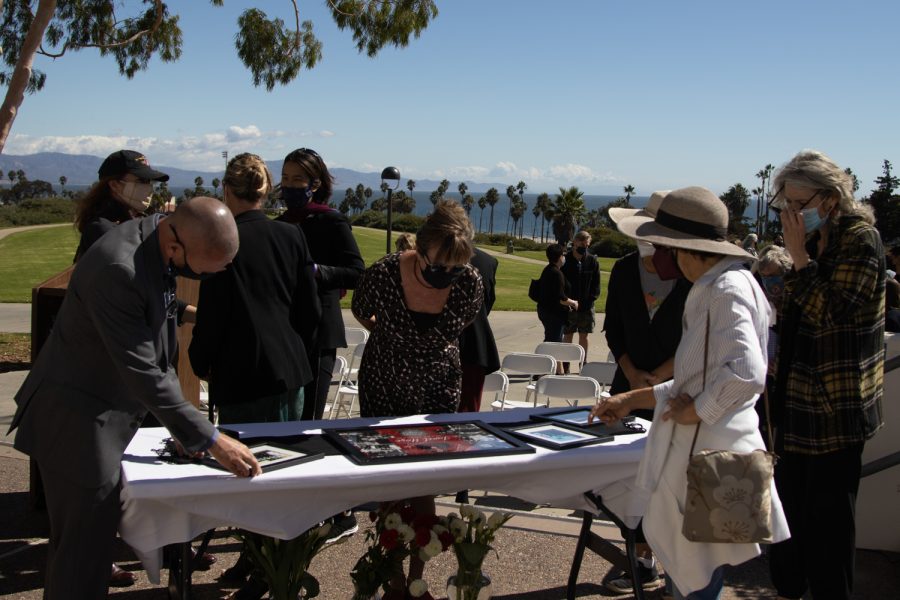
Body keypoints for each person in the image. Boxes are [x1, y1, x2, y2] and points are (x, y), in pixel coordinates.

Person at [8, 197, 261, 599]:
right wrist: (212, 441)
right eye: (201, 271)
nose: (201, 278)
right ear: (177, 248)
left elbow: (158, 327)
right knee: (82, 555)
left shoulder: (157, 240)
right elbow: (143, 369)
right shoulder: (117, 268)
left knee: (82, 550)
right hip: (76, 421)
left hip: (101, 414)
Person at [590, 186, 789, 599]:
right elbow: (696, 377)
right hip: (723, 453)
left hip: (710, 455)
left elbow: (747, 373)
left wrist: (697, 410)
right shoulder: (732, 282)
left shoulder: (724, 290)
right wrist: (631, 399)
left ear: (686, 249)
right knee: (700, 575)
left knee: (696, 579)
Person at [189, 154, 320, 599]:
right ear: (266, 193)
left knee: (249, 472)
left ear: (227, 190)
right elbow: (310, 310)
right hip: (290, 369)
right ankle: (273, 562)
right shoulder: (291, 236)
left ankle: (262, 562)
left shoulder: (222, 237)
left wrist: (199, 358)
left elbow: (214, 312)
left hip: (243, 372)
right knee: (282, 474)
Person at [767, 150, 885, 600]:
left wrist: (798, 258)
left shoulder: (860, 240)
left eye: (800, 204)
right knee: (787, 528)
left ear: (831, 199)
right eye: (786, 206)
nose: (792, 214)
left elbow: (834, 314)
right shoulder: (815, 241)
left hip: (834, 415)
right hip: (793, 411)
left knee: (829, 535)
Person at [351, 200, 483, 593]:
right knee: (390, 482)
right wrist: (391, 337)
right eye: (437, 267)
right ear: (419, 249)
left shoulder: (470, 282)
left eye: (455, 268)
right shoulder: (384, 273)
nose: (446, 275)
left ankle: (417, 581)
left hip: (437, 385)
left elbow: (464, 321)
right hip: (384, 381)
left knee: (426, 480)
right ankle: (391, 578)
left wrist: (422, 349)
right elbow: (361, 309)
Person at [72, 149, 177, 587]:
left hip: (144, 359)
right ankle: (98, 557)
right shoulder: (102, 231)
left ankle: (156, 544)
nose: (150, 191)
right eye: (142, 182)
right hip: (114, 371)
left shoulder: (134, 225)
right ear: (116, 185)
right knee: (107, 469)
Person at [600, 190, 692, 594]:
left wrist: (659, 376)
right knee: (633, 478)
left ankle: (680, 565)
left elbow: (695, 338)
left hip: (676, 390)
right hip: (629, 388)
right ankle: (639, 560)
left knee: (672, 480)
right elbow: (614, 326)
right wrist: (633, 372)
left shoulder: (690, 276)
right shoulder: (623, 270)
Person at [276, 147, 365, 543]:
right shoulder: (279, 223)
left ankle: (334, 512)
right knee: (286, 425)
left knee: (310, 420)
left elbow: (356, 271)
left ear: (316, 182)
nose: (292, 186)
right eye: (287, 177)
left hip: (318, 332)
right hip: (285, 332)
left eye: (299, 179)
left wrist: (315, 272)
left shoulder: (330, 221)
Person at [74, 150, 168, 262]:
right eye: (141, 180)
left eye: (149, 181)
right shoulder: (102, 228)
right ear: (114, 185)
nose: (148, 188)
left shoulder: (133, 218)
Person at [458, 247, 500, 413]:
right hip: (475, 341)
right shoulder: (487, 260)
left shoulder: (429, 256)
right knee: (468, 410)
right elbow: (488, 301)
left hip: (466, 346)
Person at [561, 230, 601, 367]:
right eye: (582, 243)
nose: (585, 246)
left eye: (587, 244)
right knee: (568, 335)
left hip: (586, 306)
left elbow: (596, 285)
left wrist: (590, 301)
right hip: (568, 305)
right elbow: (560, 283)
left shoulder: (592, 261)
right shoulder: (565, 260)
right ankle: (565, 363)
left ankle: (582, 363)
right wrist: (567, 301)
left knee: (584, 335)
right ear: (575, 242)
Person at [537, 244, 578, 353]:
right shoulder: (556, 273)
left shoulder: (548, 269)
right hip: (553, 313)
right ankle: (547, 365)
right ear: (559, 257)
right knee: (553, 343)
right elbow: (561, 298)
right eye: (563, 255)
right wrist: (573, 303)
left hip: (545, 310)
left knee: (553, 340)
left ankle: (559, 370)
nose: (564, 257)